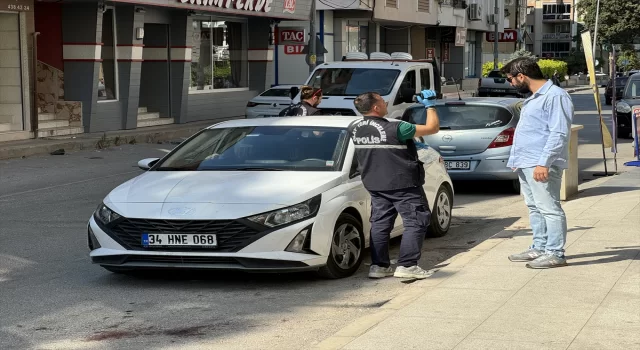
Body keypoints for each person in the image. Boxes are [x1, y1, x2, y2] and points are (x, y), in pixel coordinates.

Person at [347, 90, 441, 280]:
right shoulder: (398, 128)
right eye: (382, 101)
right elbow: (433, 128)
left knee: (380, 224)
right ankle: (407, 265)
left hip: (375, 184)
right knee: (416, 221)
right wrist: (430, 105)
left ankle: (379, 266)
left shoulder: (353, 127)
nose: (386, 103)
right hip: (403, 184)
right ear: (375, 107)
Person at [500, 57, 574, 269]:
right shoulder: (534, 97)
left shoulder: (555, 96)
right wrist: (517, 159)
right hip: (527, 162)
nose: (511, 84)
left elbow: (558, 133)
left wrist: (544, 163)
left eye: (510, 79)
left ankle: (555, 252)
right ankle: (539, 247)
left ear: (521, 76)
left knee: (549, 207)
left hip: (541, 163)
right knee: (535, 207)